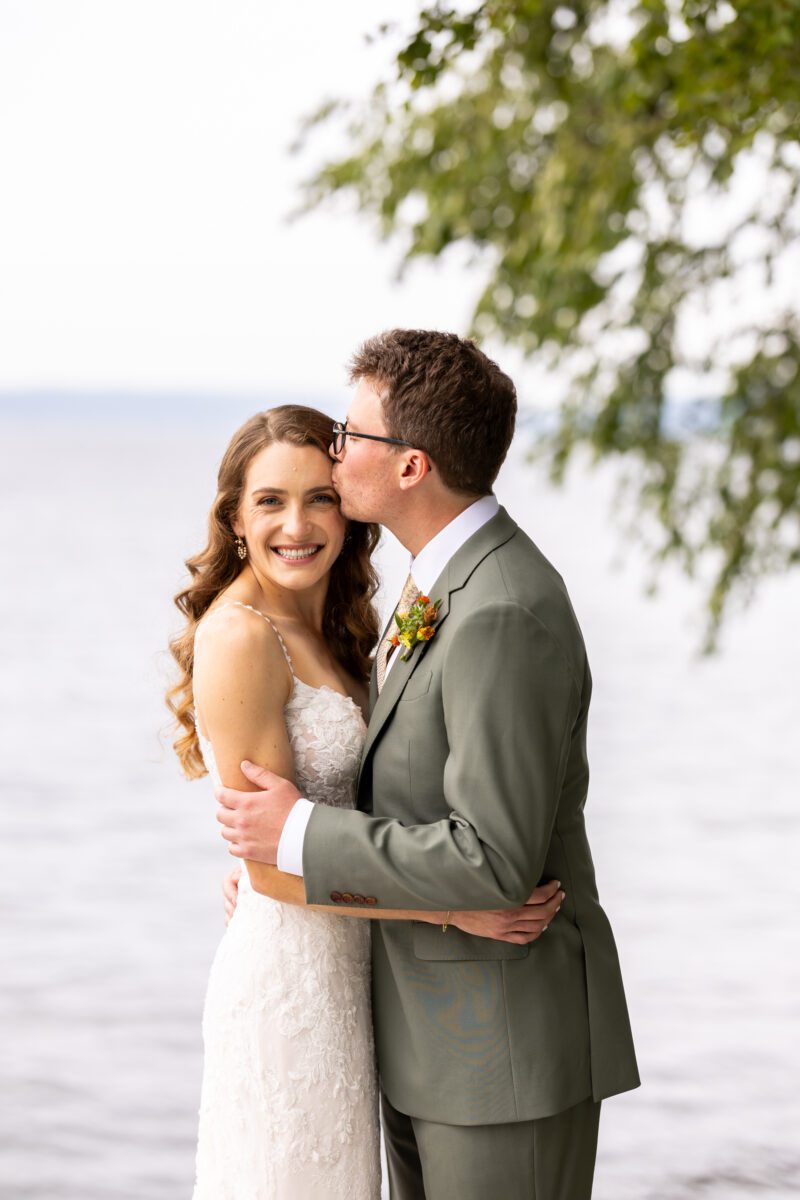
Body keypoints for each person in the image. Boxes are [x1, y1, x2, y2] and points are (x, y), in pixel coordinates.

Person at [217, 331, 641, 1200]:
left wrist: (300, 838)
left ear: (410, 466)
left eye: (351, 434)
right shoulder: (433, 584)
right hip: (421, 1039)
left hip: (503, 1049)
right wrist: (278, 880)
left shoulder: (499, 607)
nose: (337, 451)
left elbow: (494, 861)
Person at [166, 403, 565, 1200]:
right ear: (236, 518)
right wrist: (457, 910)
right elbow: (273, 868)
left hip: (356, 975)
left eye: (319, 497)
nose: (297, 526)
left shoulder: (345, 626)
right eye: (270, 502)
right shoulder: (241, 635)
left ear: (348, 508)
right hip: (290, 986)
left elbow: (350, 808)